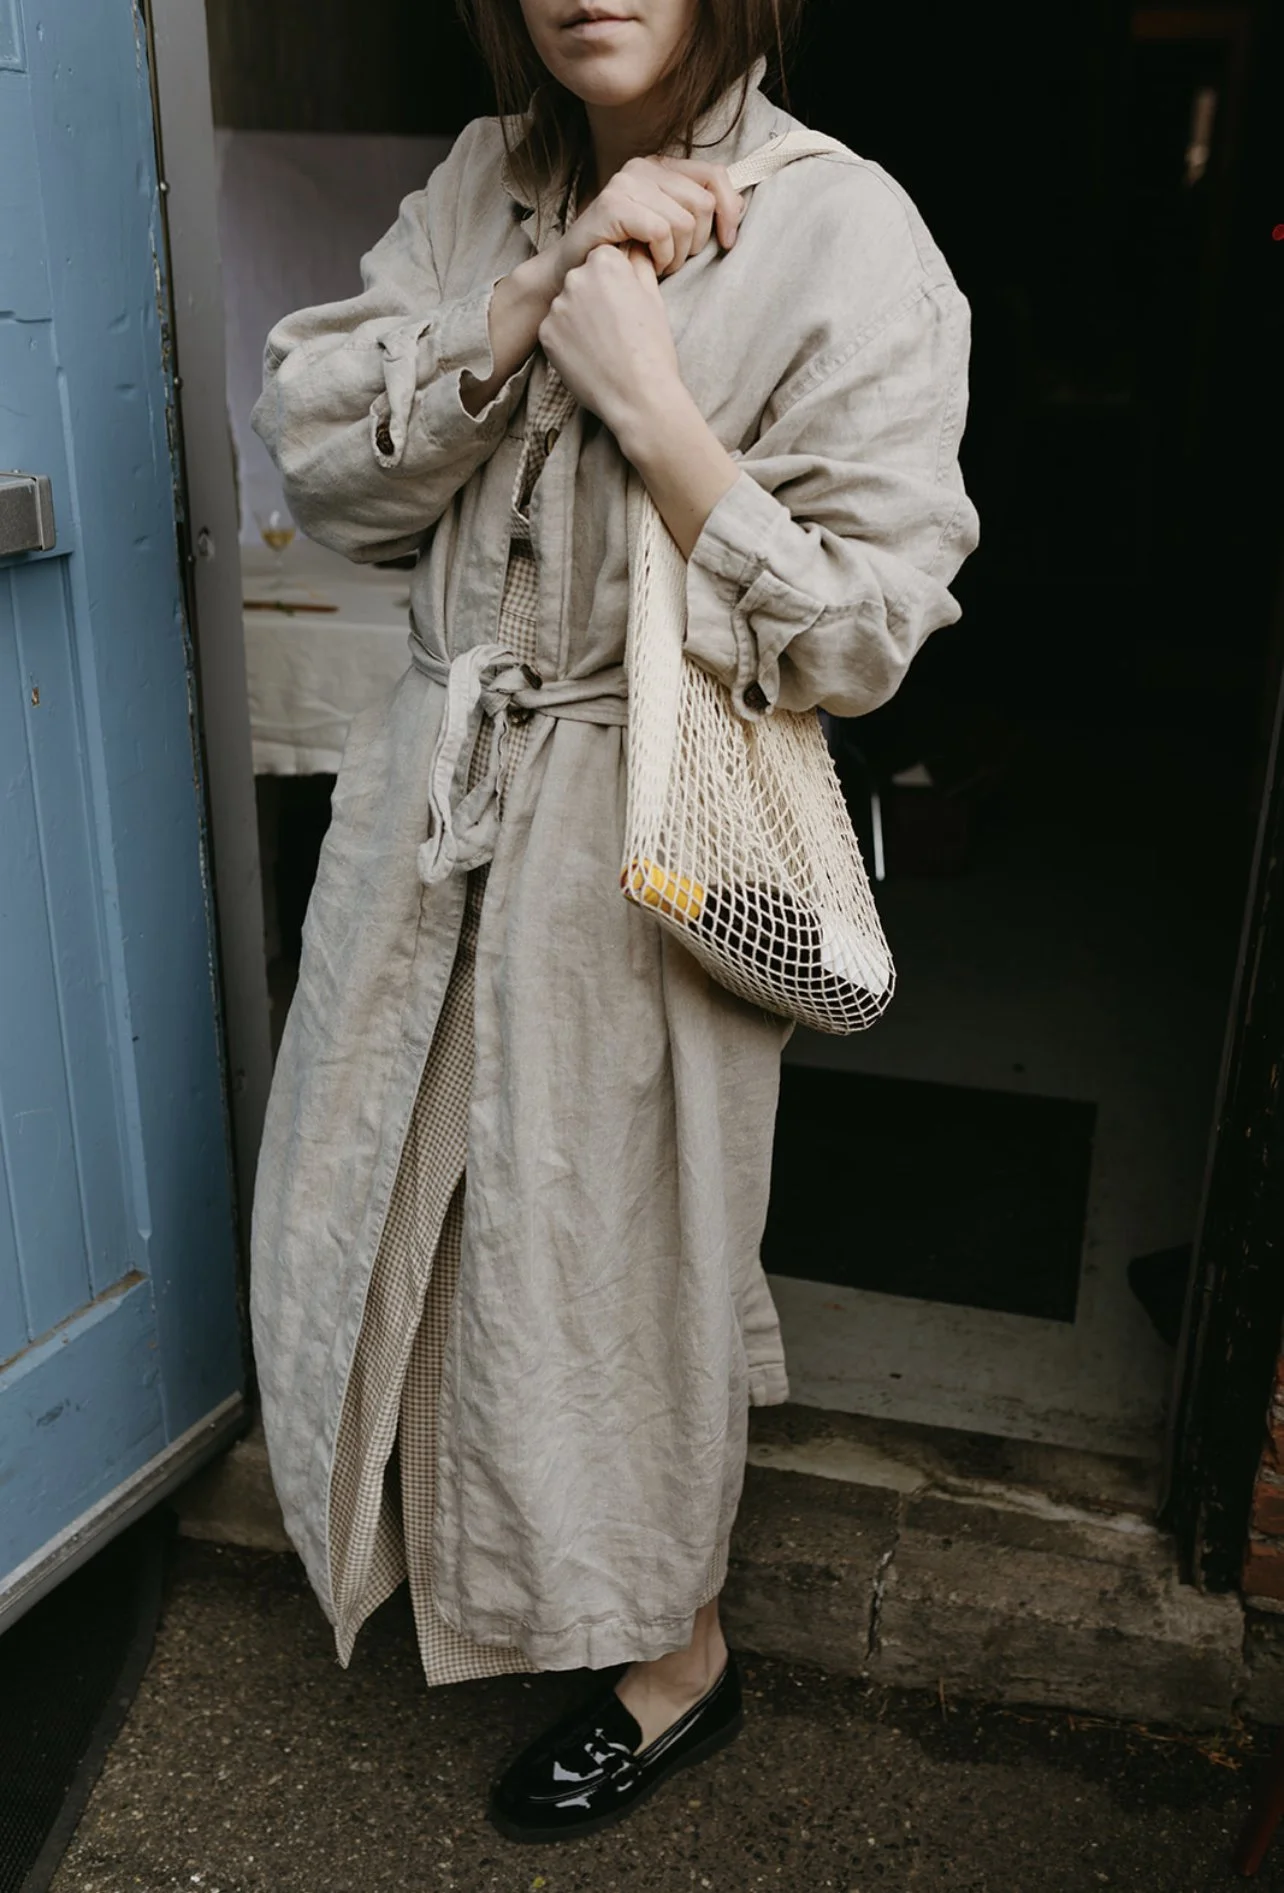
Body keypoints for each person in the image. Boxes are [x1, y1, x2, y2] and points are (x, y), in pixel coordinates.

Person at [248, 0, 979, 1845]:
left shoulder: (846, 229)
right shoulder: (481, 185)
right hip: (431, 788)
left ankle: (673, 1661)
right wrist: (532, 295)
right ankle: (475, 1560)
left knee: (617, 1260)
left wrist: (654, 402)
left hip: (648, 832)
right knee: (408, 1188)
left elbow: (868, 633)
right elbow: (326, 465)